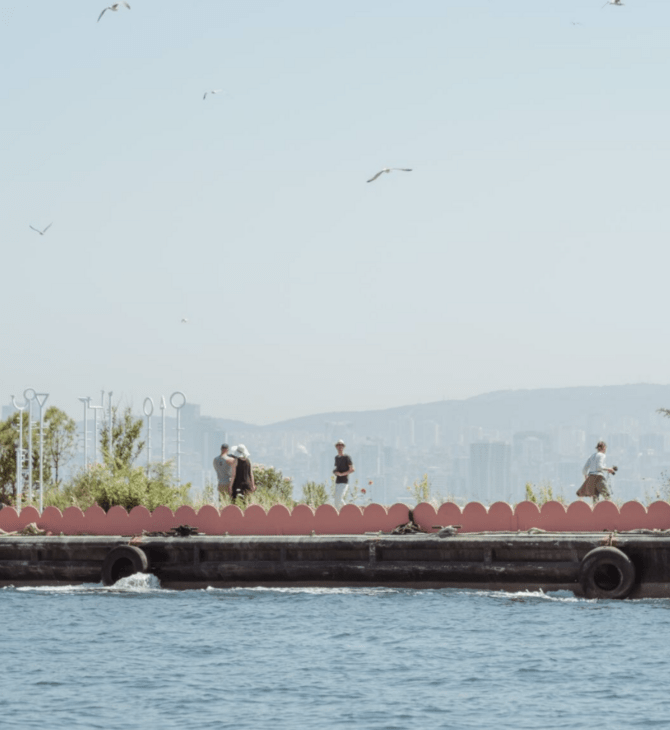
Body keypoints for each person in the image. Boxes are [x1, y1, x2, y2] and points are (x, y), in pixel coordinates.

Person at [333, 439, 355, 510]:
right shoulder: (336, 458)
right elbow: (337, 468)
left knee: (339, 498)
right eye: (338, 445)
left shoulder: (347, 457)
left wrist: (342, 474)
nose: (340, 447)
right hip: (337, 481)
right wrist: (335, 472)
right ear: (336, 447)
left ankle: (347, 511)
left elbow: (352, 469)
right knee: (336, 500)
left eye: (341, 445)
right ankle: (341, 512)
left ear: (343, 447)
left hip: (344, 482)